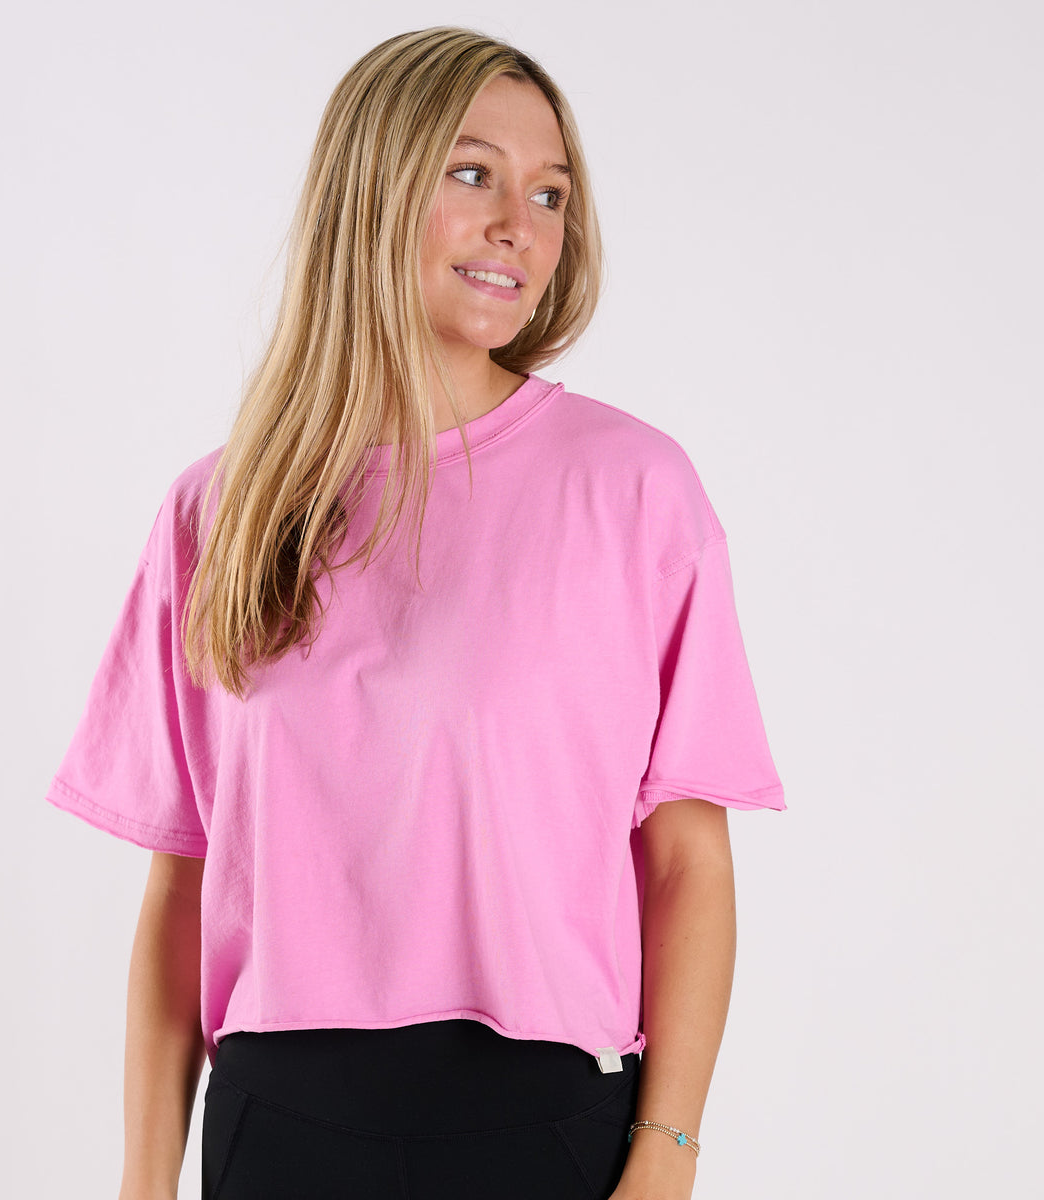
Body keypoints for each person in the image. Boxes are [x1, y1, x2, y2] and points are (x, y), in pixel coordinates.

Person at [46, 25, 785, 1200]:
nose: (519, 225)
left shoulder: (634, 491)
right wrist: (143, 1187)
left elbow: (689, 860)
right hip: (274, 1130)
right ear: (372, 190)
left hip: (542, 1130)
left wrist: (669, 1155)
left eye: (551, 193)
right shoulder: (220, 510)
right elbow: (182, 884)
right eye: (473, 172)